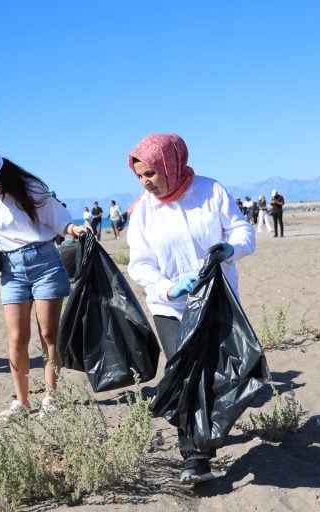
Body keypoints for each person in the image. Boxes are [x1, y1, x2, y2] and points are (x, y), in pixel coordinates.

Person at [125, 133, 255, 484]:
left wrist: (230, 249)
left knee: (215, 374)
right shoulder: (143, 213)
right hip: (170, 306)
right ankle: (195, 458)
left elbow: (244, 231)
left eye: (150, 173)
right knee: (185, 377)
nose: (145, 182)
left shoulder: (211, 192)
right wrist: (168, 286)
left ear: (171, 163)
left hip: (216, 302)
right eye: (139, 176)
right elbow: (139, 264)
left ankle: (207, 433)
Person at [0, 149, 91, 419]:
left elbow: (59, 220)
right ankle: (22, 402)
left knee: (48, 335)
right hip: (11, 271)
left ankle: (50, 397)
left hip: (44, 263)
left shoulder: (31, 189)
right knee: (17, 338)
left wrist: (74, 229)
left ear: (3, 173)